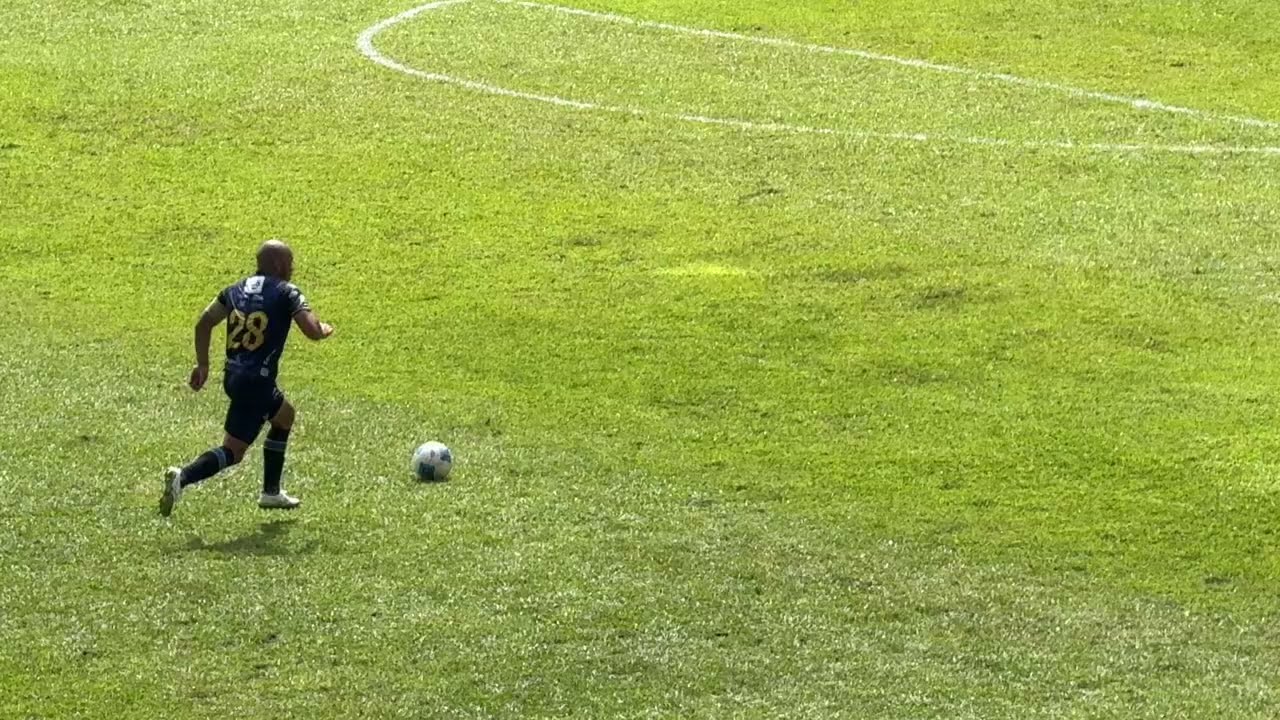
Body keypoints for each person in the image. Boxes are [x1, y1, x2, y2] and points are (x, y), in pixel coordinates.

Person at [160, 239, 334, 517]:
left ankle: (271, 492)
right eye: (290, 263)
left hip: (234, 377)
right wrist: (323, 329)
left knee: (285, 416)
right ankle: (183, 477)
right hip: (258, 382)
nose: (293, 269)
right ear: (278, 265)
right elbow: (311, 330)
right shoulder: (287, 291)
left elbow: (204, 321)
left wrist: (203, 365)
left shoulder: (235, 289)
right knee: (234, 451)